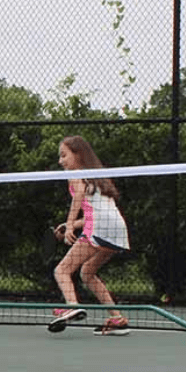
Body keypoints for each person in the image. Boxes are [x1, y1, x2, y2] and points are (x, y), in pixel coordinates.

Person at [48, 135, 131, 336]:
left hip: (100, 229)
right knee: (87, 272)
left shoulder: (76, 174)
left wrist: (69, 226)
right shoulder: (96, 177)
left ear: (78, 155)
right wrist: (72, 225)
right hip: (117, 229)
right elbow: (94, 211)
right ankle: (117, 318)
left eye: (64, 155)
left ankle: (72, 305)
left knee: (62, 271)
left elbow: (78, 196)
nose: (61, 161)